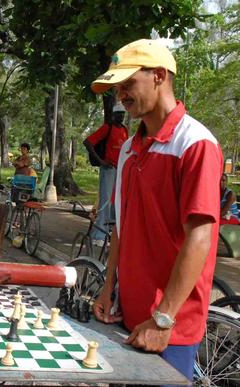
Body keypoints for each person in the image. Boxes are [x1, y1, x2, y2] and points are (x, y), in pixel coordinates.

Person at [90, 39, 222, 385]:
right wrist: (109, 288)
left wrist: (164, 319)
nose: (122, 95)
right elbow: (121, 224)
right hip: (127, 313)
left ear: (160, 75)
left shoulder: (195, 144)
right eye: (118, 88)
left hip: (169, 324)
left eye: (129, 83)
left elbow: (200, 236)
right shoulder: (129, 149)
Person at [83, 103, 129, 245]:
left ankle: (109, 232)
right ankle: (98, 236)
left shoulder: (124, 130)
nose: (121, 116)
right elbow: (88, 142)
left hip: (119, 169)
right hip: (108, 169)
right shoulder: (107, 128)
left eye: (123, 114)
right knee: (105, 201)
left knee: (116, 202)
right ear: (114, 115)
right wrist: (101, 161)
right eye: (119, 114)